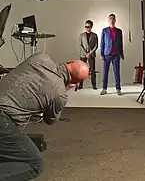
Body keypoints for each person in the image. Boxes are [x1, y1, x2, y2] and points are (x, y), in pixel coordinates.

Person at [0, 52, 89, 181]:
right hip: (3, 121)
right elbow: (50, 120)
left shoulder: (40, 57)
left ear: (69, 62)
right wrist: (63, 91)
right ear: (75, 83)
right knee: (35, 165)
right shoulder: (59, 95)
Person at [100, 14, 124, 96]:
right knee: (105, 72)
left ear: (115, 20)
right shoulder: (104, 31)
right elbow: (102, 43)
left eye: (113, 18)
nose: (112, 20)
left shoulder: (119, 31)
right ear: (108, 20)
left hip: (116, 54)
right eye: (110, 18)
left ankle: (118, 89)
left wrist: (121, 53)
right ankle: (104, 89)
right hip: (107, 54)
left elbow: (121, 43)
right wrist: (101, 54)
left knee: (117, 72)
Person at [78, 20, 98, 90]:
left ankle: (94, 85)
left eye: (88, 26)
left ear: (91, 27)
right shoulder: (81, 35)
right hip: (83, 55)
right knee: (81, 70)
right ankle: (80, 85)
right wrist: (85, 53)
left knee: (92, 70)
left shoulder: (94, 35)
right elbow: (80, 45)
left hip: (91, 55)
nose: (86, 28)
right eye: (85, 26)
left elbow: (96, 46)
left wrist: (90, 53)